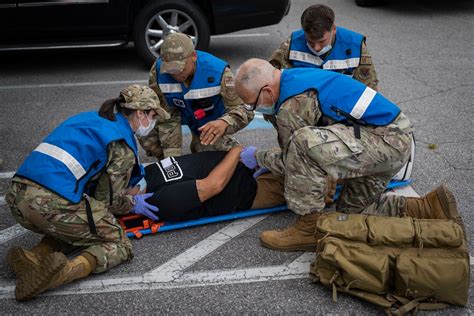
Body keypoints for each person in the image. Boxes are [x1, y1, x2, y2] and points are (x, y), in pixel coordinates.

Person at [5, 85, 169, 301]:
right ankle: (60, 275)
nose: (154, 121)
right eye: (153, 115)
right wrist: (132, 202)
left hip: (17, 196)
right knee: (116, 240)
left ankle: (33, 257)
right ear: (140, 113)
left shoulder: (91, 119)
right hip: (47, 204)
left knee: (83, 224)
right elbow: (107, 201)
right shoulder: (120, 144)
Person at [234, 58, 415, 252]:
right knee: (350, 216)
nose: (253, 109)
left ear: (267, 91)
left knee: (303, 143)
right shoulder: (293, 77)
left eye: (252, 104)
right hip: (393, 138)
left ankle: (308, 229)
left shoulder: (292, 104)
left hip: (386, 142)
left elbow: (294, 161)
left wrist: (260, 157)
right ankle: (423, 207)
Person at [140, 32, 254, 159]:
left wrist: (224, 122)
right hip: (177, 114)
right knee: (143, 123)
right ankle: (163, 160)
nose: (175, 74)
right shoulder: (158, 71)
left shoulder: (218, 72)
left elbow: (245, 109)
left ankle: (200, 144)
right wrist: (172, 157)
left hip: (208, 123)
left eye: (180, 68)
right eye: (170, 69)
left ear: (193, 56)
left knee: (225, 158)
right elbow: (166, 115)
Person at [142, 147, 286, 222]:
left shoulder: (143, 174)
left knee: (299, 151)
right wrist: (236, 152)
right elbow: (212, 186)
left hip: (250, 163)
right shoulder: (160, 201)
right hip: (254, 186)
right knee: (303, 173)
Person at [269, 4, 378, 90]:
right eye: (310, 41)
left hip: (340, 104)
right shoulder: (293, 43)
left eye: (322, 41)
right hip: (302, 103)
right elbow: (271, 76)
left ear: (334, 29)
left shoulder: (355, 45)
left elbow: (369, 87)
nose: (316, 48)